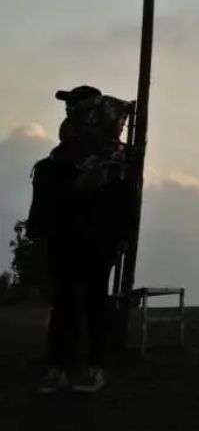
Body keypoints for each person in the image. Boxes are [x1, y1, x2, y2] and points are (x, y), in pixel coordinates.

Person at [26, 86, 134, 395]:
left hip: (91, 241)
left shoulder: (109, 163)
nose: (69, 111)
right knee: (68, 304)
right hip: (69, 239)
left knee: (89, 302)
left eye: (74, 106)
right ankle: (63, 366)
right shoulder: (71, 159)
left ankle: (88, 366)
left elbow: (122, 205)